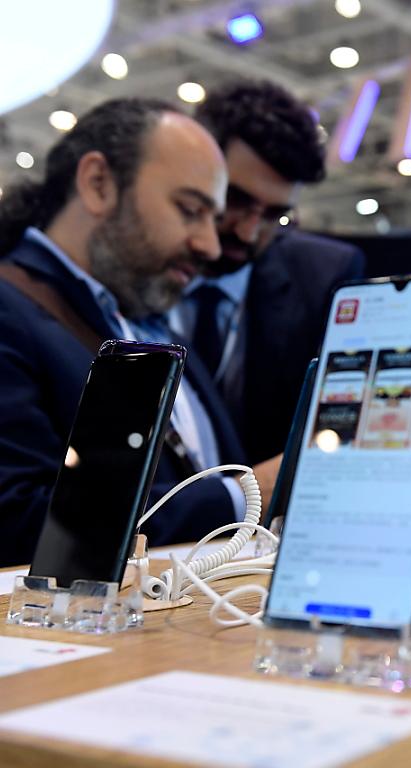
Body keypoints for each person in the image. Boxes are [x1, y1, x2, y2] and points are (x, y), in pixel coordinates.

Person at [0, 98, 278, 567]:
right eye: (190, 209)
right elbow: (18, 521)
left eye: (213, 219)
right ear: (98, 184)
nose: (211, 245)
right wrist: (244, 496)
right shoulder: (11, 307)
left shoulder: (150, 319)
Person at [176, 80, 365, 464]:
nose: (249, 231)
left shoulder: (324, 277)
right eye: (235, 199)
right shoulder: (133, 264)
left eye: (274, 215)